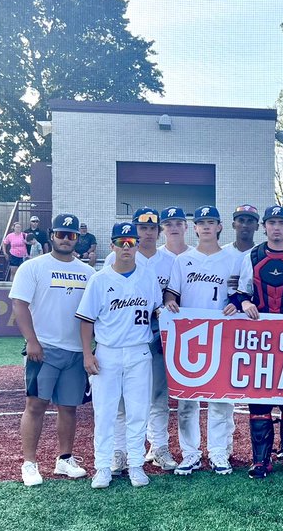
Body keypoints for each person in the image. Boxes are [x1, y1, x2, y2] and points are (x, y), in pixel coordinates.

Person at [10, 213, 95, 487]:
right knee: (35, 405)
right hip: (44, 349)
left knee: (69, 407)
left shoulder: (88, 273)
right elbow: (19, 305)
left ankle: (64, 459)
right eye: (61, 234)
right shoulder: (33, 267)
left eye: (71, 235)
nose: (66, 239)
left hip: (75, 351)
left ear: (77, 239)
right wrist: (32, 341)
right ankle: (30, 463)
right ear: (51, 235)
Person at [230, 205, 283, 479]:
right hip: (261, 341)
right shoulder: (252, 256)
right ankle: (260, 460)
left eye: (280, 222)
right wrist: (244, 304)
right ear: (264, 227)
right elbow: (242, 293)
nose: (276, 227)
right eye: (271, 223)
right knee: (260, 400)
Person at [78, 222, 162, 490]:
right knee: (105, 412)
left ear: (137, 245)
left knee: (138, 411)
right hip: (107, 352)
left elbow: (158, 312)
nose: (126, 247)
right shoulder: (99, 279)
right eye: (120, 242)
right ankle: (103, 466)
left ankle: (136, 464)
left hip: (139, 351)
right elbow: (86, 320)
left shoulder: (148, 278)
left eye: (131, 242)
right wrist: (86, 354)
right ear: (112, 245)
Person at [163, 205, 239, 476]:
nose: (206, 226)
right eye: (201, 222)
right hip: (190, 337)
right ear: (194, 227)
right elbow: (172, 295)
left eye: (211, 222)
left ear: (219, 226)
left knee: (221, 398)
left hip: (223, 336)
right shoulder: (183, 260)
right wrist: (170, 303)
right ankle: (190, 454)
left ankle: (218, 452)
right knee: (187, 400)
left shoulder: (232, 258)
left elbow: (238, 296)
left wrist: (236, 305)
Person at [107, 208, 178, 473]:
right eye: (142, 228)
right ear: (134, 231)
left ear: (158, 231)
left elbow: (171, 299)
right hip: (125, 339)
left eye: (152, 228)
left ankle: (159, 447)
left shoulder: (170, 261)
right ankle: (120, 452)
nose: (147, 232)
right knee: (122, 400)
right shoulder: (110, 260)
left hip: (157, 337)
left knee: (158, 397)